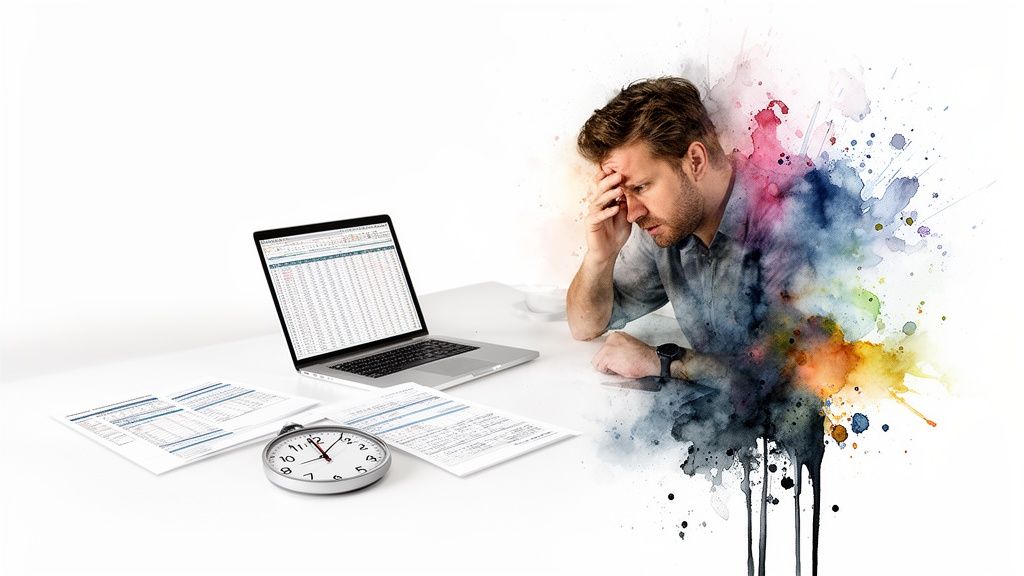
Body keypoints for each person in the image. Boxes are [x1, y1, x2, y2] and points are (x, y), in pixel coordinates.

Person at [567, 76, 767, 383]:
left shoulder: (786, 223)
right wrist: (599, 257)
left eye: (641, 187)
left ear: (695, 161)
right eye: (623, 195)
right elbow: (585, 325)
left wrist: (663, 362)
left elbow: (798, 384)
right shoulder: (670, 226)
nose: (632, 214)